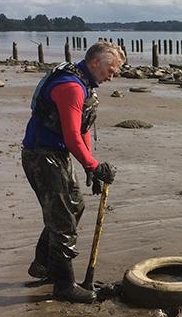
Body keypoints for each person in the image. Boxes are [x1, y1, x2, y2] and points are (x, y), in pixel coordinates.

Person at [21, 41, 125, 303]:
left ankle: (44, 263)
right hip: (42, 157)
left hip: (57, 154)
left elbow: (82, 130)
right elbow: (70, 136)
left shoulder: (85, 85)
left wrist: (91, 167)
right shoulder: (70, 87)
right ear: (94, 63)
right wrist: (93, 166)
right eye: (110, 70)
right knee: (63, 221)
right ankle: (64, 285)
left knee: (75, 206)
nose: (112, 76)